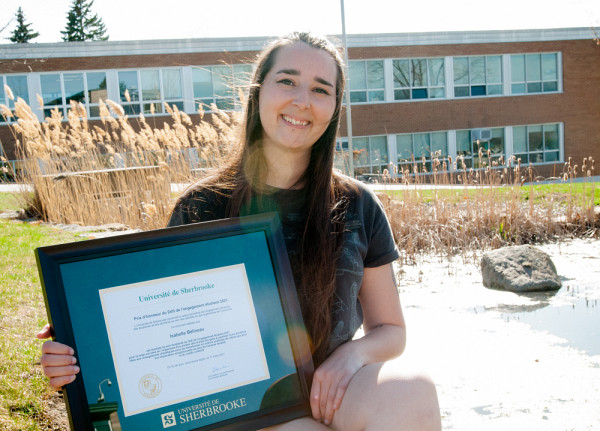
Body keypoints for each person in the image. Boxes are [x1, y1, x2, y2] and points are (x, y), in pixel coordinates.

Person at [38, 32, 441, 431]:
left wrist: (351, 357)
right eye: (287, 81)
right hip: (241, 407)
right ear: (258, 90)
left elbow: (391, 331)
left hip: (332, 390)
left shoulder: (357, 205)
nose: (302, 100)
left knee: (414, 393)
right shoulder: (202, 206)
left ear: (334, 107)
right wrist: (81, 345)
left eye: (321, 89)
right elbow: (158, 323)